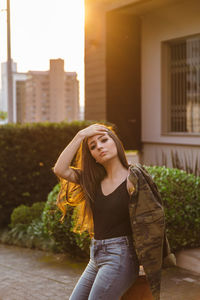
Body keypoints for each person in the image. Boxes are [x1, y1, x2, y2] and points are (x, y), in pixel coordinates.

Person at [53, 123, 175, 300]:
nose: (99, 147)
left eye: (104, 140)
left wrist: (146, 259)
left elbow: (153, 220)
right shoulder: (93, 181)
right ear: (93, 157)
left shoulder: (133, 178)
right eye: (93, 147)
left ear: (115, 143)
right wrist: (80, 135)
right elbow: (60, 169)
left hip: (121, 256)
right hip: (95, 256)